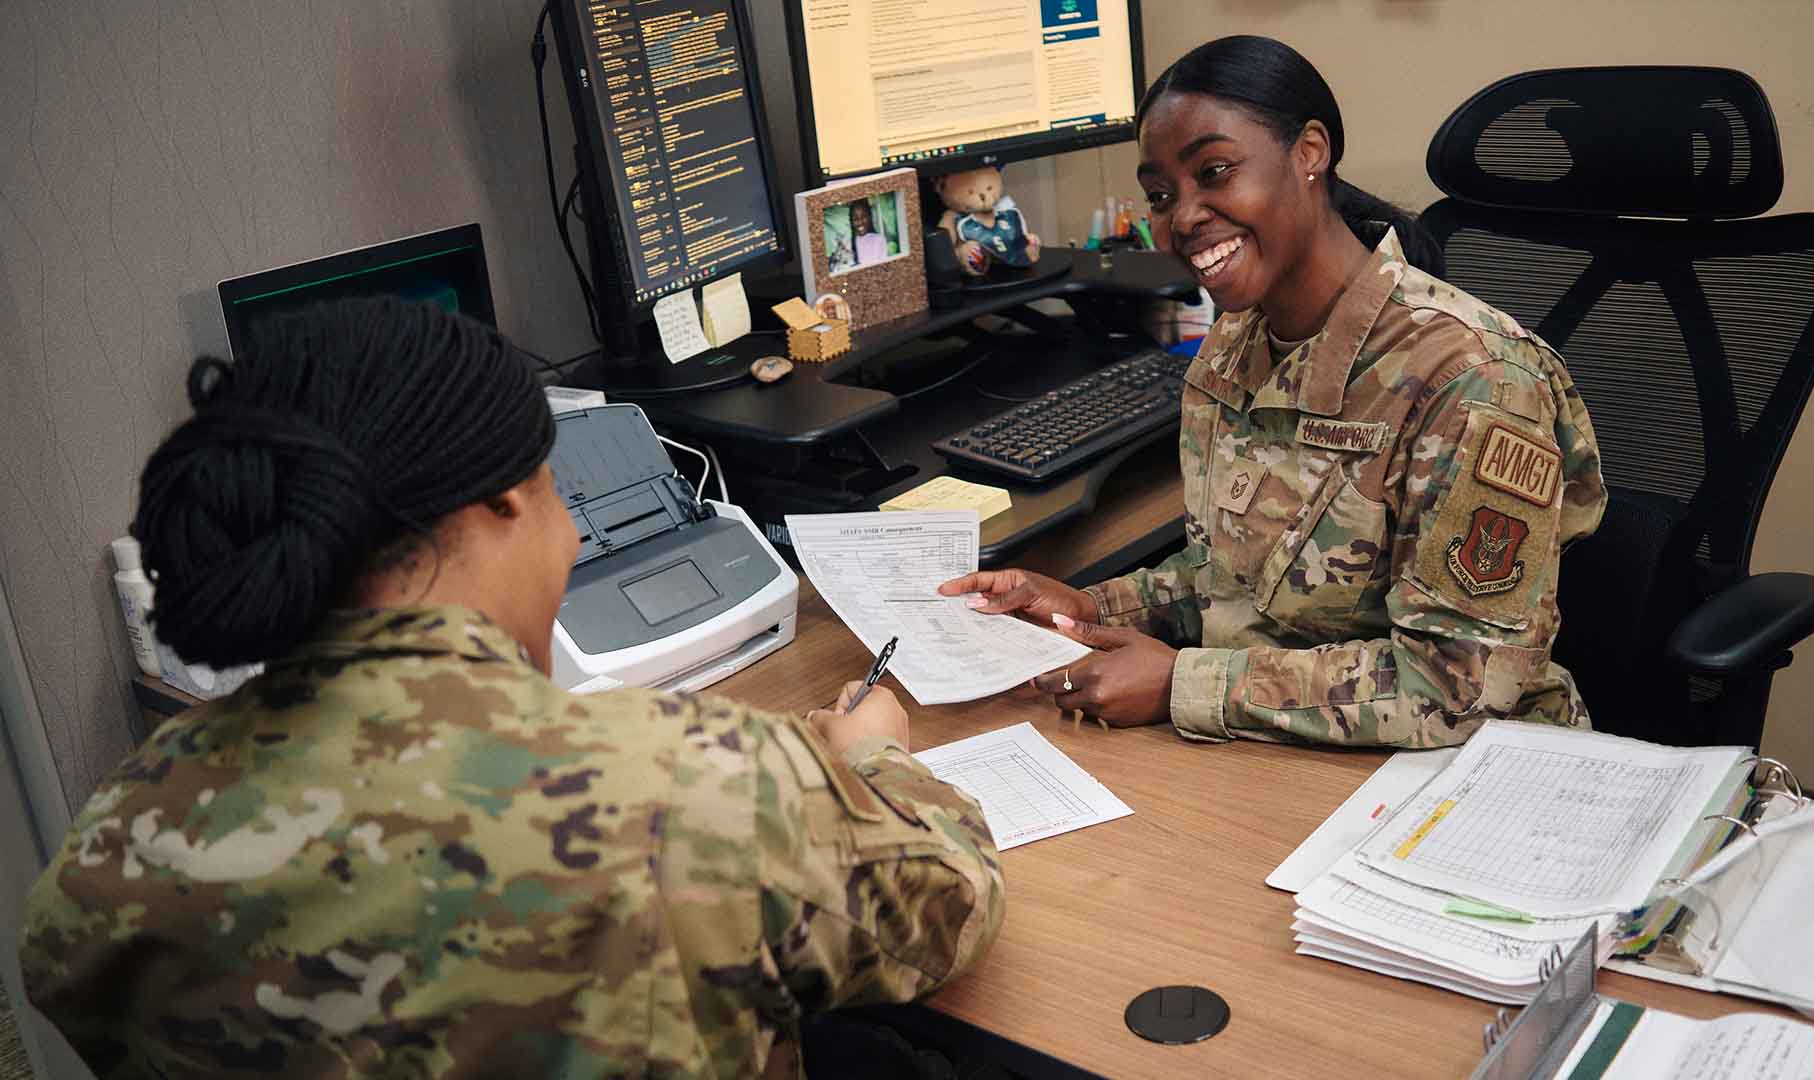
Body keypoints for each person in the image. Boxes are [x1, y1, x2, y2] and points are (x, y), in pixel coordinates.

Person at [19, 297, 1004, 1077]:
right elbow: (954, 902)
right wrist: (872, 757)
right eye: (555, 496)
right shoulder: (691, 791)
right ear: (504, 501)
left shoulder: (101, 862)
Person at [940, 36, 1606, 748]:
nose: (1184, 216)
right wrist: (1086, 609)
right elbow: (1229, 582)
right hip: (1292, 757)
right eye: (1161, 195)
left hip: (1470, 777)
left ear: (1310, 153)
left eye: (1215, 171)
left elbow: (1459, 689)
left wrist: (1182, 685)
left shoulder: (1475, 379)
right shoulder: (1230, 348)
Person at [851, 199, 889, 264]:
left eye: (863, 217)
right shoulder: (852, 242)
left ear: (869, 217)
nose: (860, 222)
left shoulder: (879, 239)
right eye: (855, 219)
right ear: (851, 221)